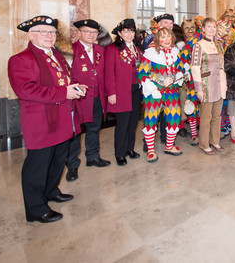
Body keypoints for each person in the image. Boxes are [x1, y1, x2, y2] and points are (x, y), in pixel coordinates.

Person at [8, 15, 84, 223]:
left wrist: (76, 86)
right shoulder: (21, 60)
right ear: (31, 35)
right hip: (42, 122)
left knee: (58, 158)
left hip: (62, 119)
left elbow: (67, 78)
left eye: (51, 32)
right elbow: (26, 90)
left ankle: (51, 190)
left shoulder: (56, 56)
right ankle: (36, 208)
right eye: (43, 32)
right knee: (38, 165)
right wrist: (64, 93)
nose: (49, 36)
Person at [65, 19, 111, 182]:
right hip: (78, 98)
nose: (91, 35)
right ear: (79, 33)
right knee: (76, 132)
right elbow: (65, 75)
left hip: (97, 97)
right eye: (87, 32)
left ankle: (93, 157)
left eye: (94, 33)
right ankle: (72, 165)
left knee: (94, 128)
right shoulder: (70, 50)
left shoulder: (100, 50)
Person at [138, 27, 184, 161]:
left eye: (168, 36)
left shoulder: (175, 52)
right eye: (162, 37)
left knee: (174, 117)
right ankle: (151, 150)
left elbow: (179, 69)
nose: (166, 40)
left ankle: (169, 146)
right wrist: (153, 89)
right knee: (151, 119)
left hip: (172, 91)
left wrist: (178, 76)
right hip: (155, 92)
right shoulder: (150, 54)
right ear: (158, 39)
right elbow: (142, 74)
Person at [105, 18, 142, 166]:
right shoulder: (113, 49)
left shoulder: (138, 49)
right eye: (126, 31)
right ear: (120, 33)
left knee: (133, 122)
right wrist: (111, 93)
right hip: (121, 92)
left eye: (132, 31)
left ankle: (129, 149)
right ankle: (120, 153)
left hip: (136, 90)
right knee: (123, 124)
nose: (129, 34)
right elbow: (109, 74)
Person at [191, 18, 227, 155]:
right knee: (206, 117)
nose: (212, 29)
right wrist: (198, 89)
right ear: (203, 29)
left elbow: (222, 66)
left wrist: (225, 84)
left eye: (214, 27)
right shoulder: (198, 45)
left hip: (219, 84)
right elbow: (195, 68)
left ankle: (215, 141)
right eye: (209, 27)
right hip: (206, 86)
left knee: (217, 115)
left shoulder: (219, 44)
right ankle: (204, 144)